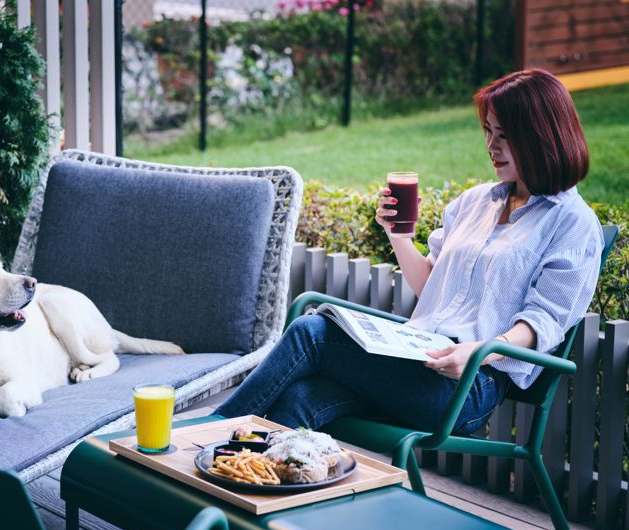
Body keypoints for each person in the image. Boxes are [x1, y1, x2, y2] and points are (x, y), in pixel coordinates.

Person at [214, 68, 603, 433]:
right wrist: (398, 236)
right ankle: (257, 488)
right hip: (412, 357)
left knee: (312, 331)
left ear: (540, 136)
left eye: (505, 136)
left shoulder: (572, 223)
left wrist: (477, 352)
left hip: (469, 383)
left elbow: (543, 323)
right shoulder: (475, 202)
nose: (491, 146)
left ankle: (212, 427)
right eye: (488, 131)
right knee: (300, 400)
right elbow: (430, 283)